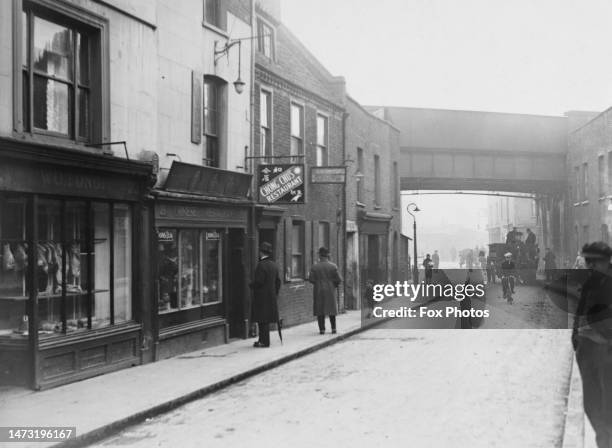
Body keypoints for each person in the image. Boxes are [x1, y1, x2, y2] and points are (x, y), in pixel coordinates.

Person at [572, 242, 612, 448]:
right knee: (590, 404)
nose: (589, 266)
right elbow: (580, 310)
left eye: (593, 262)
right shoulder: (590, 283)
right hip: (586, 349)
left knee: (608, 406)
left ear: (606, 263)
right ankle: (603, 438)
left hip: (606, 350)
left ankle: (605, 440)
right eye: (587, 261)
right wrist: (576, 336)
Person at [250, 242, 281, 347]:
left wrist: (251, 285)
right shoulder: (274, 265)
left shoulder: (261, 265)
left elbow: (259, 281)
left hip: (261, 297)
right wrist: (274, 293)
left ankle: (264, 341)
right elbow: (278, 282)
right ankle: (263, 340)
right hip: (271, 297)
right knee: (266, 319)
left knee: (262, 320)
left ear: (261, 252)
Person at [309, 247, 342, 334]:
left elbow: (311, 279)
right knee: (331, 310)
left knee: (320, 310)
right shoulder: (333, 266)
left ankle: (322, 329)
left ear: (319, 255)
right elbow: (339, 279)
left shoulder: (315, 267)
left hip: (318, 290)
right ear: (328, 256)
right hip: (330, 290)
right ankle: (333, 329)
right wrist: (333, 285)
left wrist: (317, 283)